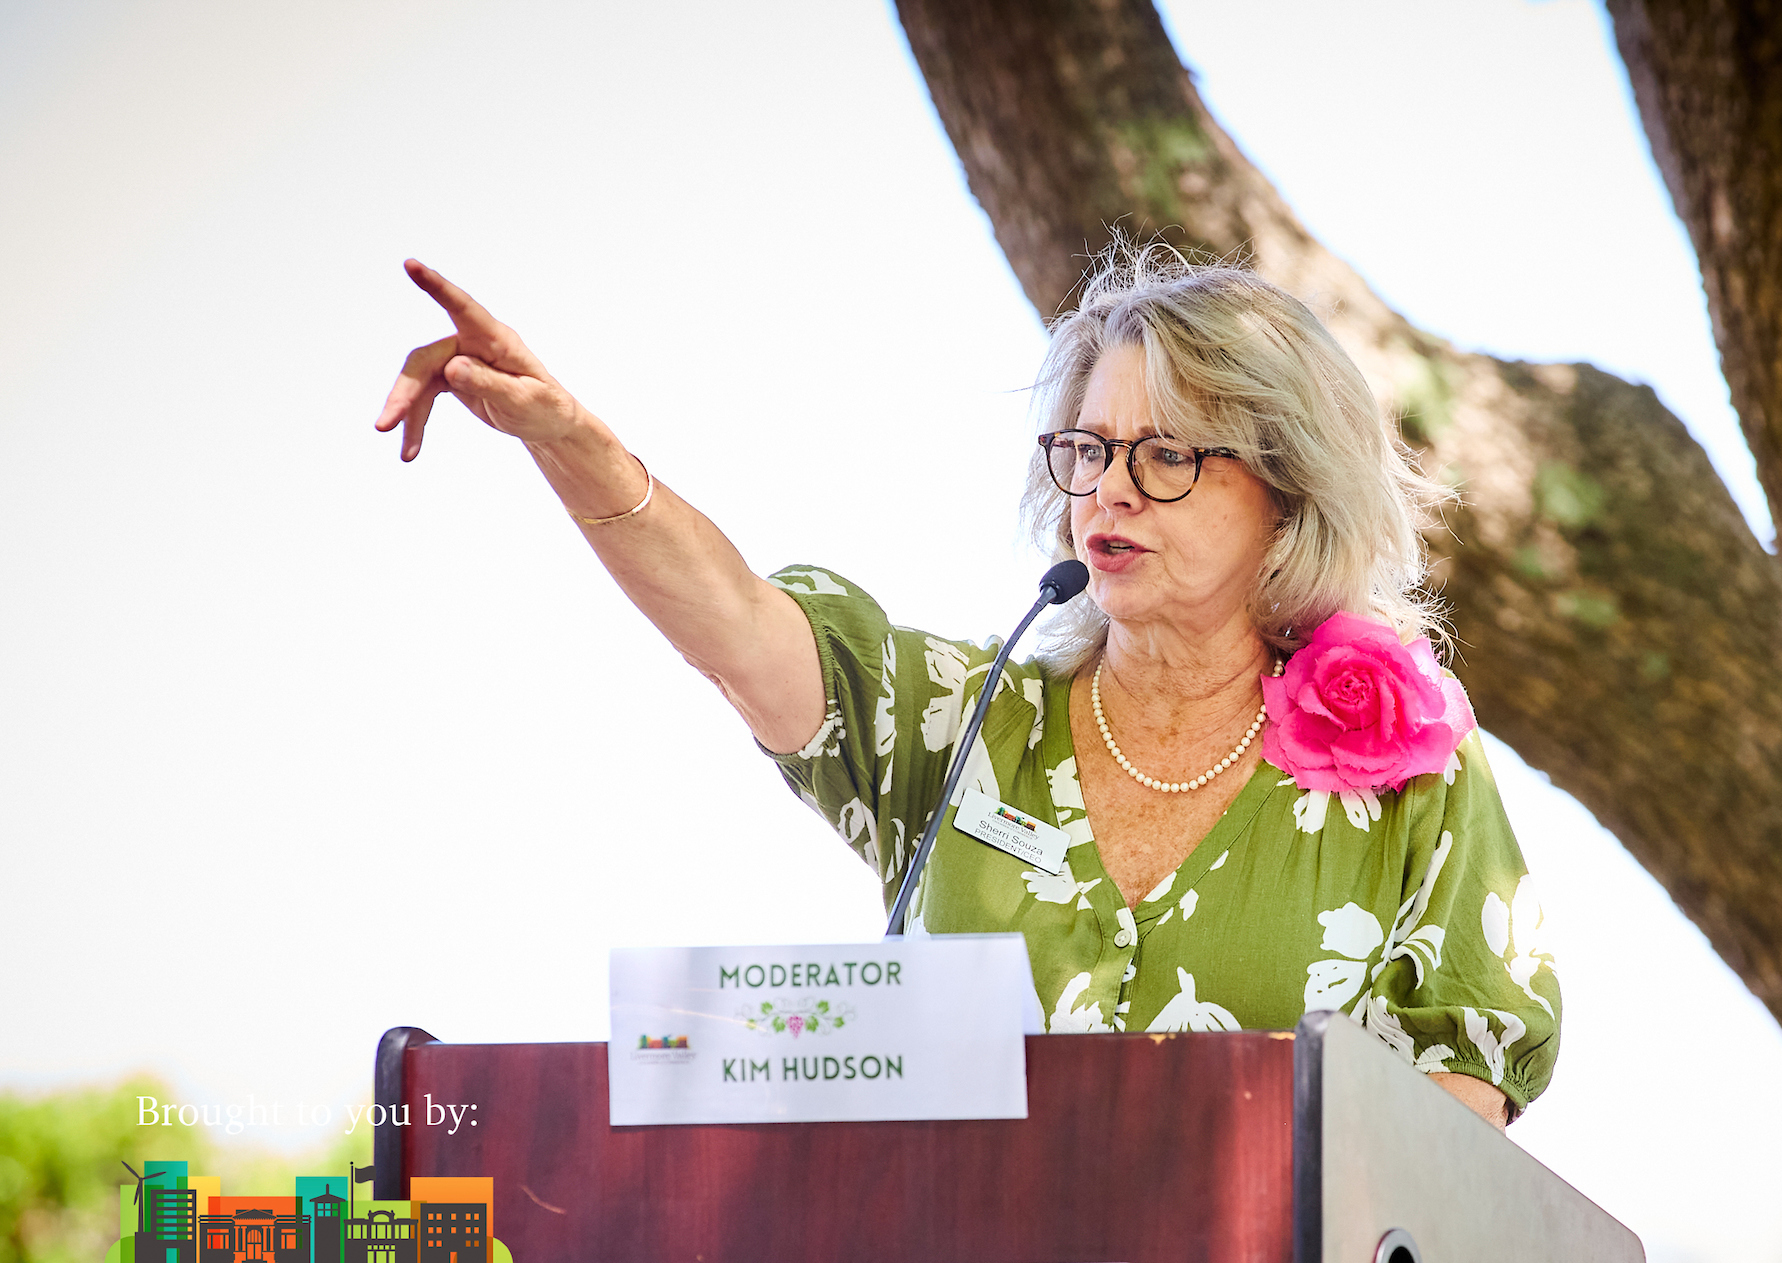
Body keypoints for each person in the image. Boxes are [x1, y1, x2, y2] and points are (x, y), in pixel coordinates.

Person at [375, 247, 1560, 1128]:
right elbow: (737, 627)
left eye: (1165, 454)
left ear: (1290, 490)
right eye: (1089, 450)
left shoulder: (1413, 773)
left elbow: (1460, 1104)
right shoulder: (962, 723)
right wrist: (570, 442)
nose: (1109, 491)